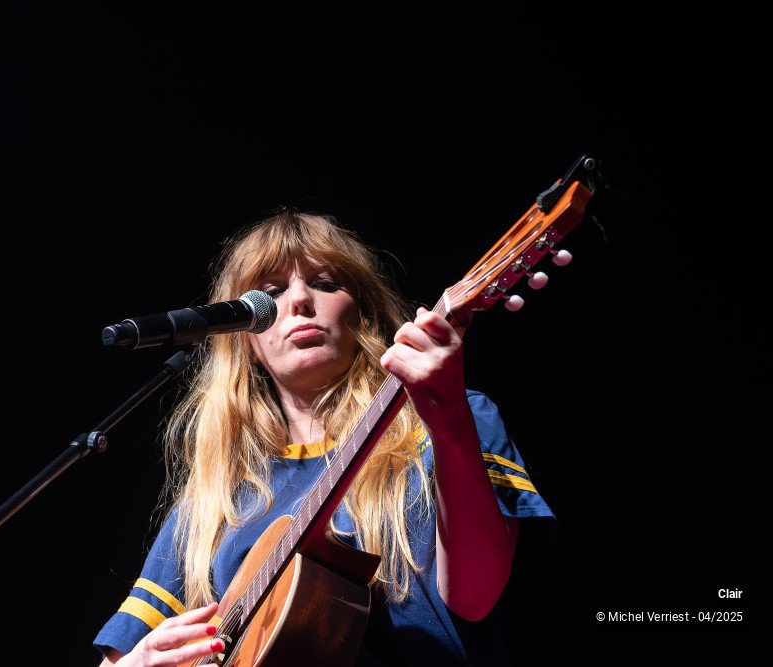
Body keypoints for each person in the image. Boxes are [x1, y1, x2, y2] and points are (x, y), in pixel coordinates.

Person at [93, 208, 555, 666]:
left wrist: (450, 420)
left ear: (364, 316)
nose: (299, 301)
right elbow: (115, 661)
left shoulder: (454, 416)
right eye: (270, 293)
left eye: (326, 283)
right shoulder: (218, 493)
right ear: (245, 341)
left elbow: (475, 597)